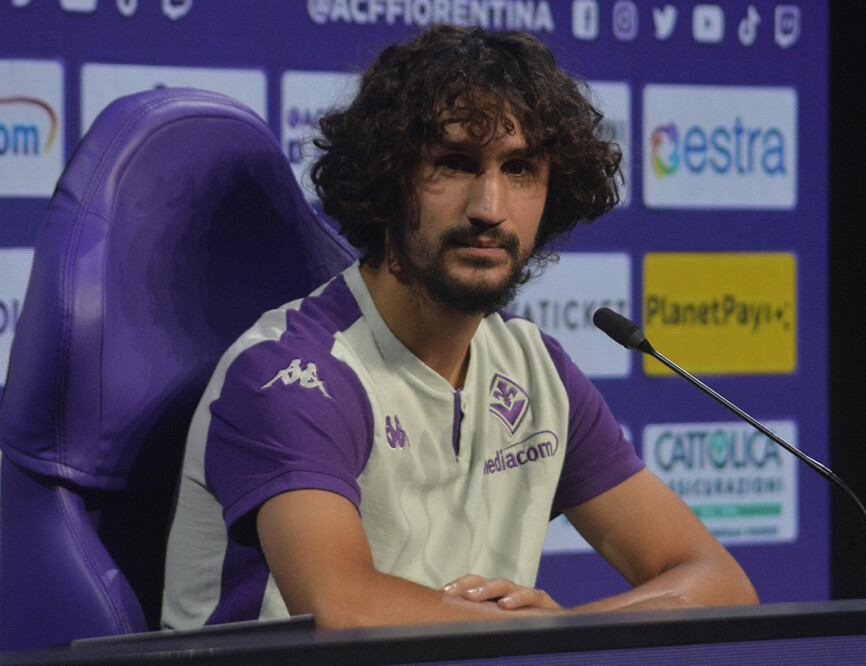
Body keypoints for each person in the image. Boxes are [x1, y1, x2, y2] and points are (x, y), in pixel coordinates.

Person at [161, 24, 757, 630]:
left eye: (520, 168)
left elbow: (719, 583)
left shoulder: (536, 372)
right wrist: (536, 637)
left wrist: (567, 629)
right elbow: (343, 608)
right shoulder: (291, 374)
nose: (490, 208)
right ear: (387, 180)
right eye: (454, 163)